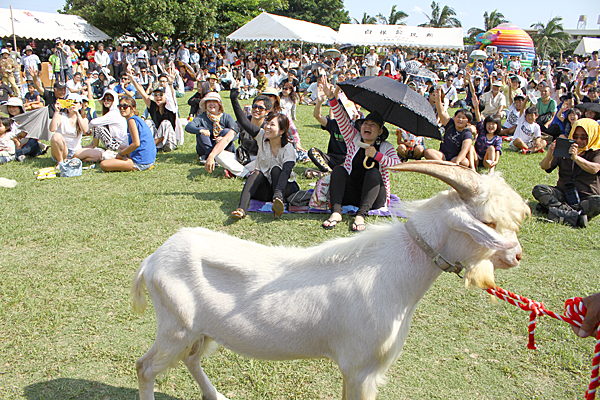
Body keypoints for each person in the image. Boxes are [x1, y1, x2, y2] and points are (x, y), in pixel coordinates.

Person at [320, 76, 401, 232]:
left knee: (373, 173)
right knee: (338, 170)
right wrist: (331, 96)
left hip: (374, 197)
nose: (367, 126)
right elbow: (340, 118)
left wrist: (377, 156)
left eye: (372, 125)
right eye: (365, 123)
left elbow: (398, 167)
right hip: (351, 193)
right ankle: (336, 212)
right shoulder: (353, 137)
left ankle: (360, 216)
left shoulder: (385, 147)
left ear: (380, 131)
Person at [230, 112, 300, 220]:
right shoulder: (261, 136)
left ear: (282, 131)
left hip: (285, 187)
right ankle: (241, 209)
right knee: (256, 173)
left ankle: (278, 204)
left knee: (276, 169)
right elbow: (243, 121)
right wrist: (234, 98)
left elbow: (286, 173)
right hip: (269, 188)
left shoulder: (288, 148)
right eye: (266, 123)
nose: (267, 127)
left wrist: (278, 195)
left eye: (272, 124)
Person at [532, 118, 600, 228]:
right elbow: (545, 167)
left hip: (586, 196)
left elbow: (595, 168)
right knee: (539, 189)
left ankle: (554, 210)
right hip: (563, 193)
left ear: (592, 135)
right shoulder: (565, 148)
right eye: (575, 136)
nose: (578, 140)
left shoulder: (597, 151)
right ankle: (574, 215)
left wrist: (576, 158)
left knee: (598, 201)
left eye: (583, 137)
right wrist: (550, 155)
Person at [185, 92, 248, 178]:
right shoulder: (201, 117)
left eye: (214, 101)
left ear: (219, 105)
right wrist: (200, 130)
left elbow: (237, 134)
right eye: (208, 101)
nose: (211, 104)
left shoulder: (227, 117)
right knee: (202, 129)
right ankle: (209, 156)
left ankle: (220, 157)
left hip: (223, 148)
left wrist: (224, 139)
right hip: (206, 148)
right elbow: (188, 127)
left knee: (226, 131)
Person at [100, 96, 156, 172]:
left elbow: (136, 144)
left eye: (125, 106)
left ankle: (129, 163)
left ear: (133, 108)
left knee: (104, 164)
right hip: (149, 159)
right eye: (120, 106)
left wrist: (121, 154)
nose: (122, 108)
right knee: (121, 147)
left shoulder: (131, 121)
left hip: (141, 162)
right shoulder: (137, 119)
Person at [424, 89, 475, 171]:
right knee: (428, 152)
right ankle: (446, 167)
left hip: (455, 157)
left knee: (465, 162)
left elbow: (465, 150)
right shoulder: (450, 124)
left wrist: (457, 161)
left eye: (463, 118)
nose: (460, 120)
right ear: (454, 117)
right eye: (458, 117)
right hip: (443, 155)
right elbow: (441, 113)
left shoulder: (467, 133)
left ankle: (444, 166)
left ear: (468, 122)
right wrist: (438, 99)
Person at [129, 70, 178, 152]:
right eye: (155, 95)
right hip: (156, 139)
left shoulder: (170, 107)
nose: (158, 97)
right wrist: (132, 80)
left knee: (165, 123)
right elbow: (142, 93)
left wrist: (170, 84)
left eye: (161, 94)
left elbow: (172, 96)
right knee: (148, 121)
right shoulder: (153, 106)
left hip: (169, 142)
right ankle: (147, 143)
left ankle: (149, 145)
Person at [76, 89, 128, 162]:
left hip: (118, 145)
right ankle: (93, 145)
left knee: (97, 126)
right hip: (118, 142)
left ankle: (94, 147)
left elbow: (93, 122)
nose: (106, 101)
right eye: (105, 99)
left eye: (109, 99)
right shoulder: (113, 112)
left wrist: (86, 130)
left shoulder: (114, 113)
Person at [306, 84, 347, 176]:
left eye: (344, 109)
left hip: (347, 160)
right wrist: (319, 102)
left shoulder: (354, 126)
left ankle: (325, 174)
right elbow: (318, 116)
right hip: (331, 158)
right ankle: (329, 172)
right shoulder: (334, 124)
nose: (342, 112)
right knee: (312, 151)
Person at [229, 84, 272, 168]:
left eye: (260, 108)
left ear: (267, 111)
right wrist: (212, 155)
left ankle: (240, 171)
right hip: (244, 156)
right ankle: (244, 170)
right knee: (220, 155)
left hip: (261, 159)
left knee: (266, 162)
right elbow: (242, 122)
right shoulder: (246, 120)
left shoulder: (269, 126)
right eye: (254, 107)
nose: (256, 110)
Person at [49, 93, 89, 164]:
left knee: (97, 155)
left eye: (75, 102)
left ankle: (73, 159)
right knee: (56, 136)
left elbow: (85, 130)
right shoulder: (61, 116)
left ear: (80, 105)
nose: (72, 105)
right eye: (70, 102)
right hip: (62, 150)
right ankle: (60, 161)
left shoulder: (82, 118)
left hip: (76, 151)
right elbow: (52, 128)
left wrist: (77, 114)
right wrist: (56, 111)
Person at [471, 94, 502, 172]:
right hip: (476, 158)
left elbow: (498, 150)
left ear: (497, 126)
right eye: (489, 123)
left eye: (493, 124)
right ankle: (472, 168)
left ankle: (491, 171)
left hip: (487, 160)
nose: (490, 126)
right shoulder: (482, 130)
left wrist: (496, 161)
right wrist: (476, 107)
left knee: (491, 148)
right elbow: (478, 119)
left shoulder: (497, 138)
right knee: (471, 147)